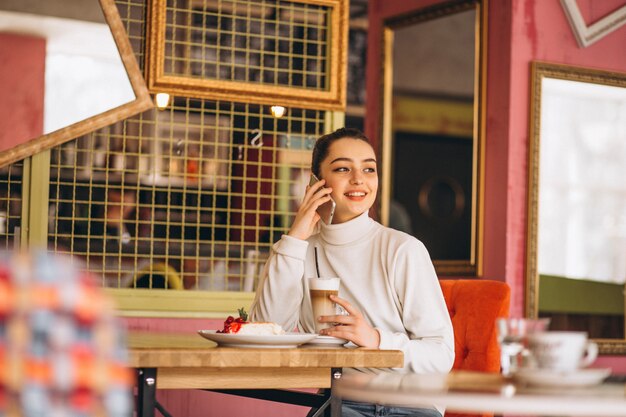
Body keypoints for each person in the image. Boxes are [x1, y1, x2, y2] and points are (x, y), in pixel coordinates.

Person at [250, 128, 454, 417]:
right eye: (343, 168)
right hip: (338, 403)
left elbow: (441, 355)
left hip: (409, 406)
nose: (359, 179)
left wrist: (376, 340)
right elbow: (265, 335)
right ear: (315, 182)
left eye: (369, 169)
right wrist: (294, 238)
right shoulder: (297, 251)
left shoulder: (403, 249)